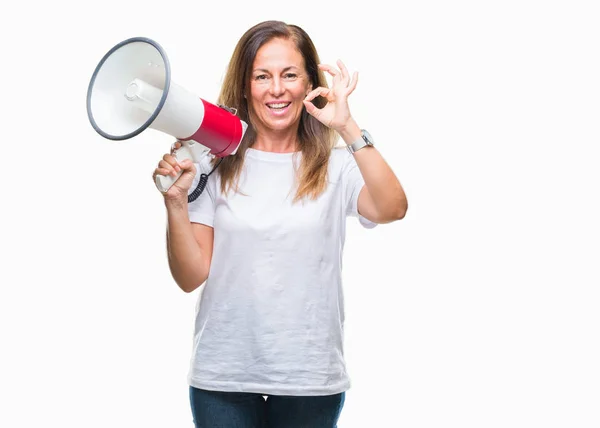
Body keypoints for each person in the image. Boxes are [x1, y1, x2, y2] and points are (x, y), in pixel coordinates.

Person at [152, 20, 407, 428]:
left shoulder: (337, 166)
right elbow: (190, 276)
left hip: (309, 378)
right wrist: (176, 202)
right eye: (262, 76)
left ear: (309, 83)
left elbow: (392, 207)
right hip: (223, 377)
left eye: (290, 75)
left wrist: (346, 126)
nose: (276, 89)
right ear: (245, 84)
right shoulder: (213, 163)